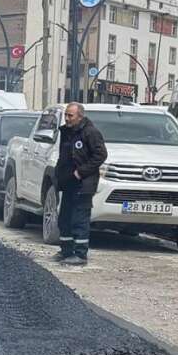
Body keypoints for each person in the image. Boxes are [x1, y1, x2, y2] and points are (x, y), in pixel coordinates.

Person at [53, 102, 107, 267]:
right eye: (66, 115)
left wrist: (81, 172)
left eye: (71, 115)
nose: (67, 118)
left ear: (80, 116)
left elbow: (100, 155)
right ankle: (66, 250)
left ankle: (80, 254)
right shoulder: (67, 132)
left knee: (79, 219)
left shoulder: (90, 132)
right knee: (65, 218)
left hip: (83, 184)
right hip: (68, 182)